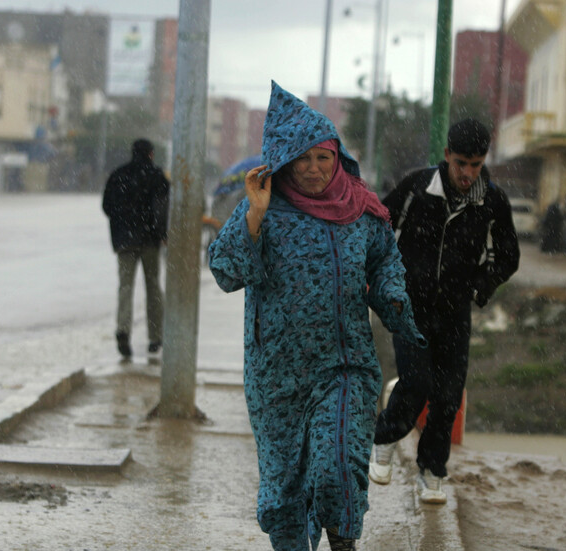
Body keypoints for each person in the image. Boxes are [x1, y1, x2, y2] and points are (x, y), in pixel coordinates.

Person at [207, 82, 425, 551]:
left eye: (323, 157)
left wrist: (393, 298)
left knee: (339, 465)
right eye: (302, 159)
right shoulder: (265, 209)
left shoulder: (362, 210)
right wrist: (255, 214)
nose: (313, 169)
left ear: (337, 156)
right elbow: (225, 270)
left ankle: (344, 545)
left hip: (344, 366)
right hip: (277, 374)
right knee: (284, 488)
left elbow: (385, 262)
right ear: (284, 162)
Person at [369, 118, 520, 504]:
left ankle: (432, 470)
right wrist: (385, 282)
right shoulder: (416, 187)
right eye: (461, 164)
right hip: (409, 308)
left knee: (449, 396)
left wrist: (479, 287)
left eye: (476, 164)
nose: (468, 173)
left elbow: (508, 257)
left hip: (455, 313)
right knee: (416, 383)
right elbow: (377, 231)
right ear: (447, 156)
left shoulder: (492, 202)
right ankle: (383, 438)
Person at [102, 139, 169, 359]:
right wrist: (162, 234)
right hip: (150, 240)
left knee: (125, 287)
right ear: (151, 154)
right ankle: (155, 336)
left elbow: (107, 206)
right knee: (153, 287)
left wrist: (123, 223)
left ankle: (123, 330)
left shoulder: (118, 175)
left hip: (124, 241)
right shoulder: (157, 177)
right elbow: (162, 208)